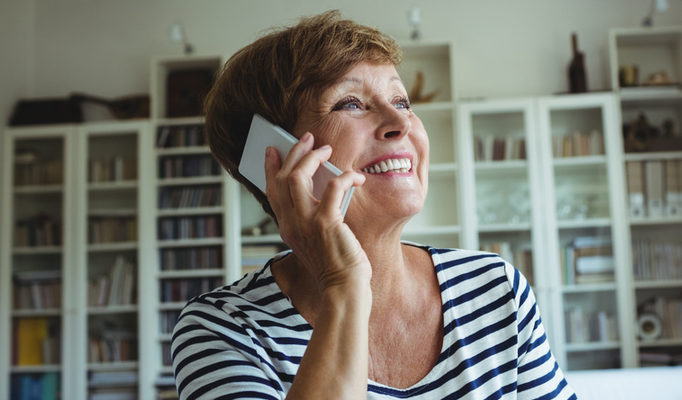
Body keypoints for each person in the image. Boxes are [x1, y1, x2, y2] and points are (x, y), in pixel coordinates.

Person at [172, 10, 576, 399]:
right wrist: (344, 285)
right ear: (273, 155)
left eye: (401, 101)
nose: (401, 123)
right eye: (351, 103)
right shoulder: (222, 329)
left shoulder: (494, 289)